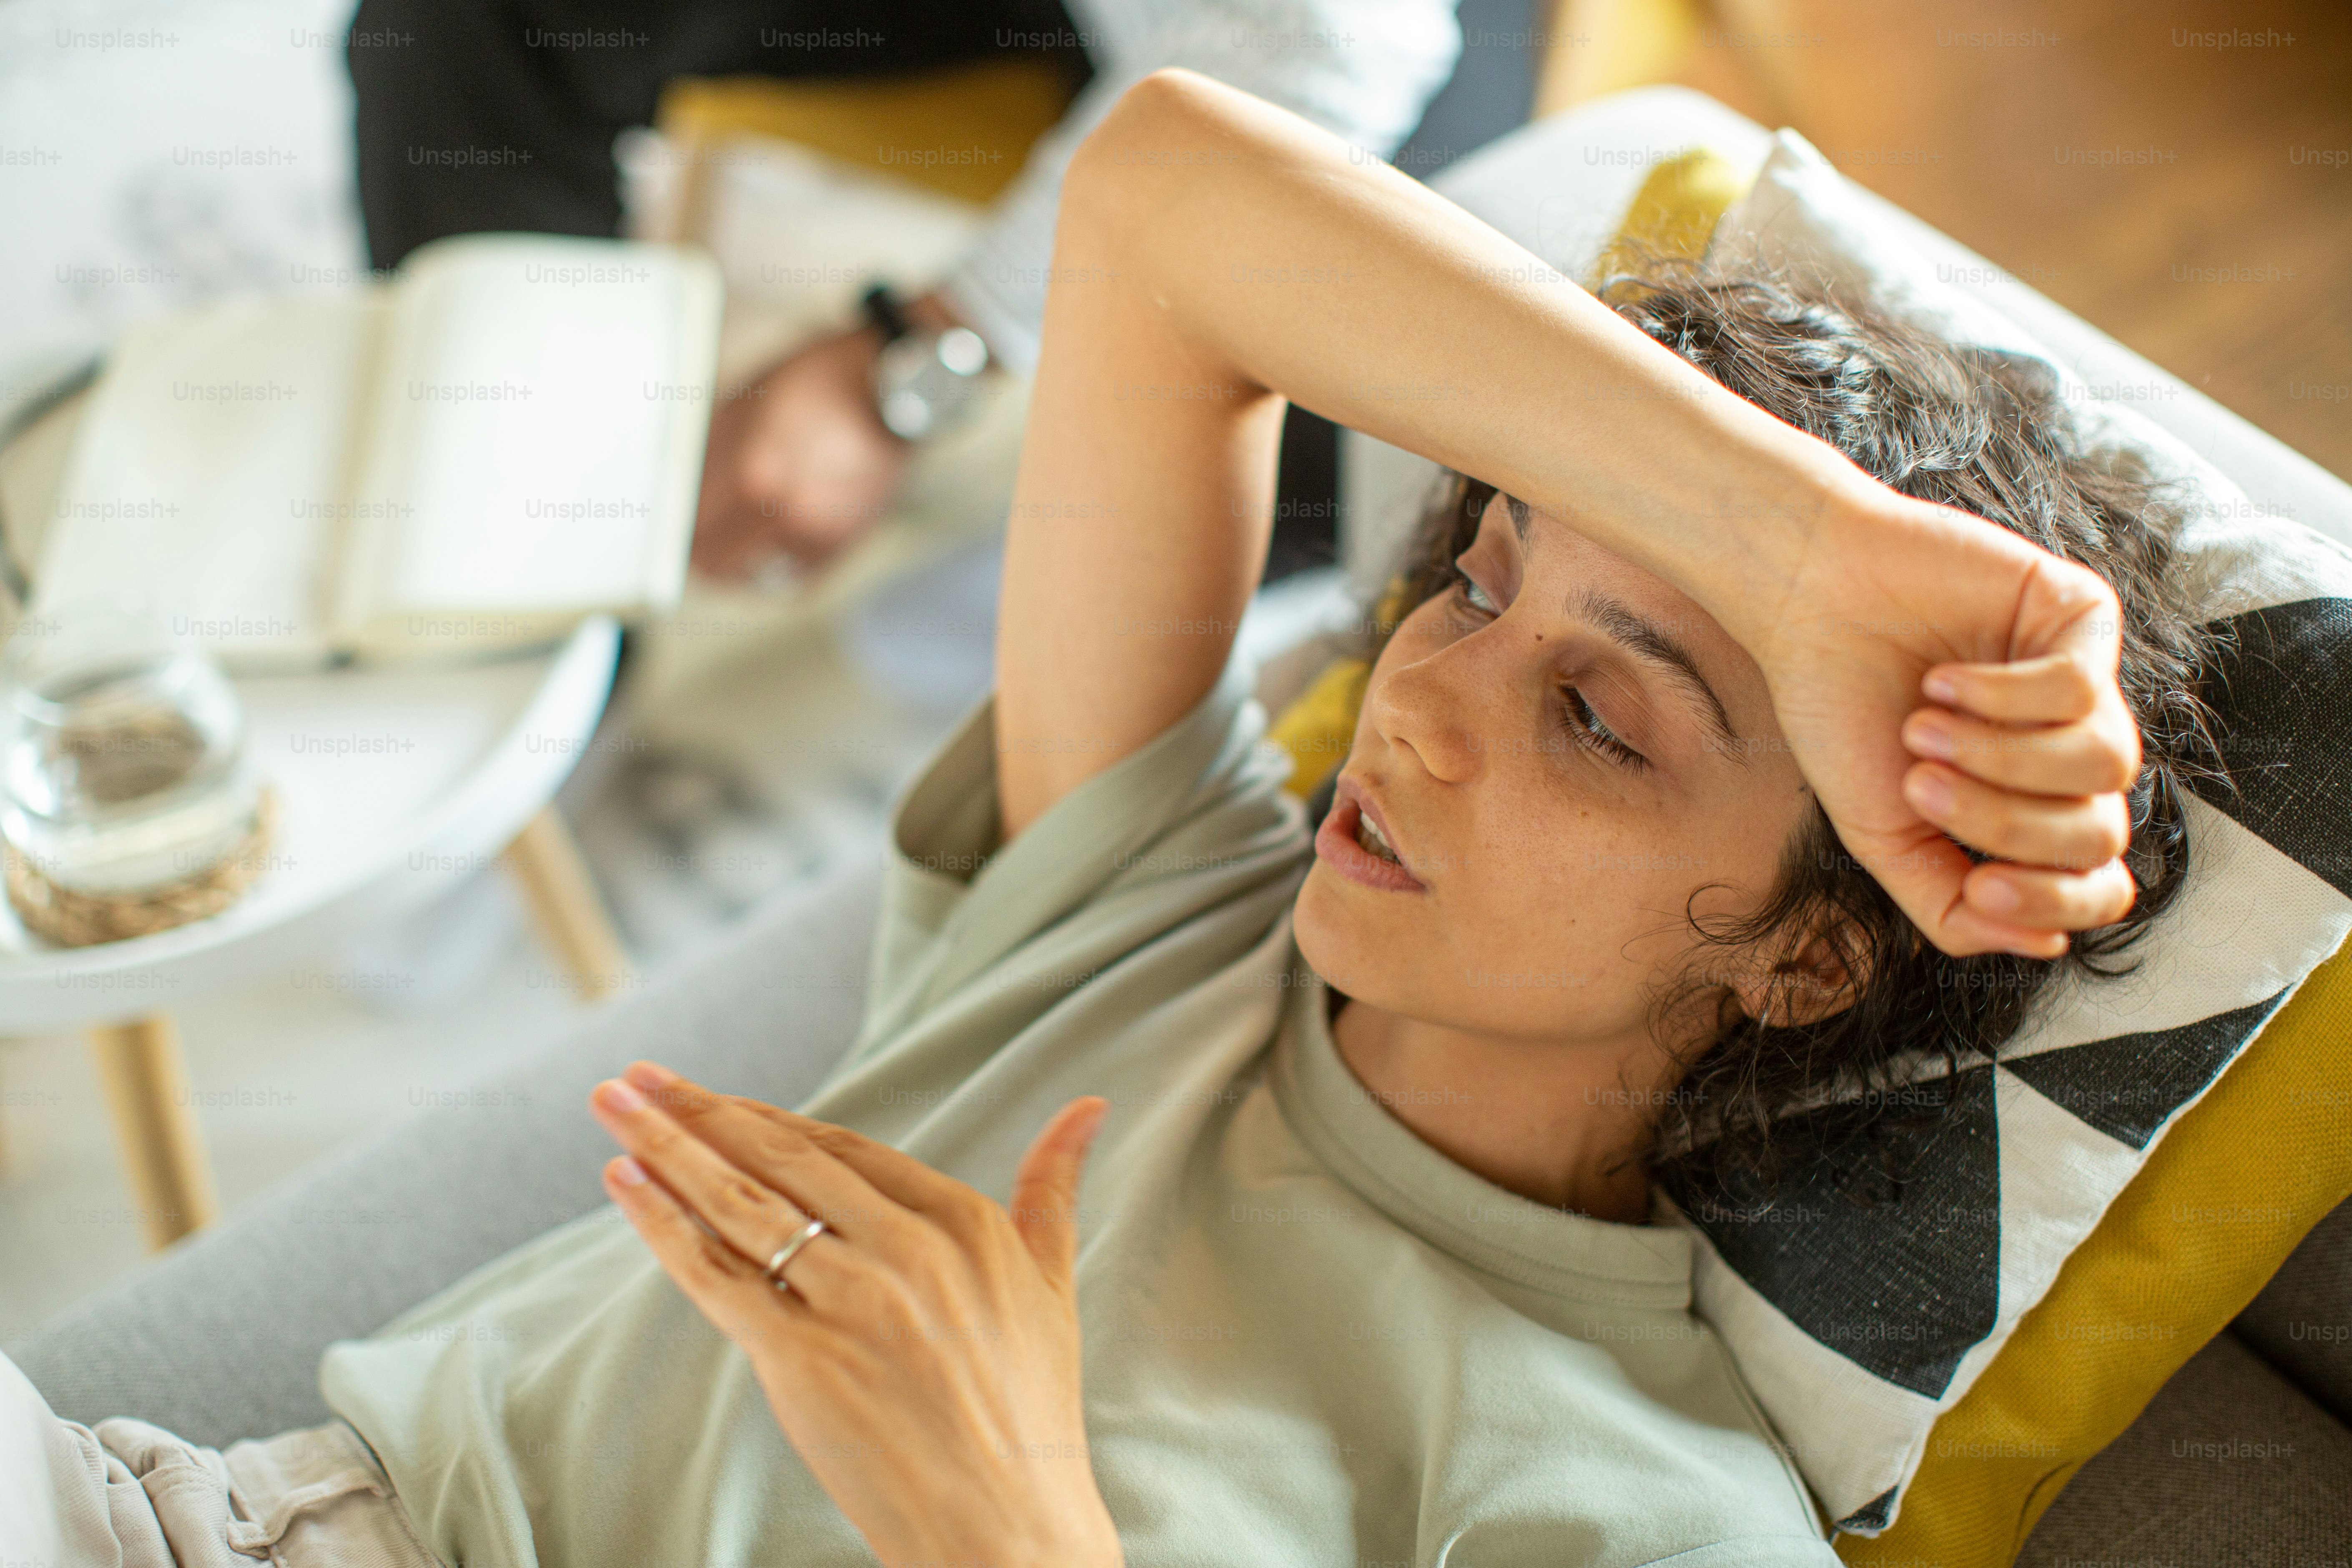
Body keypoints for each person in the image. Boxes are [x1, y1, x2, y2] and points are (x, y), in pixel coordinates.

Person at [5, 70, 2213, 1568]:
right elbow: (1163, 191)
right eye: (1473, 576)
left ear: (1808, 947)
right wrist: (1800, 556)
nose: (1418, 700)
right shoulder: (1168, 906)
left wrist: (1002, 1510)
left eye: (1595, 716)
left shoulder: (1637, 1506)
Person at [343, 0, 1465, 579]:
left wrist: (922, 354)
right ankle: (503, 564)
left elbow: (1337, 44)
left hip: (1359, 42)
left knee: (1383, 379)